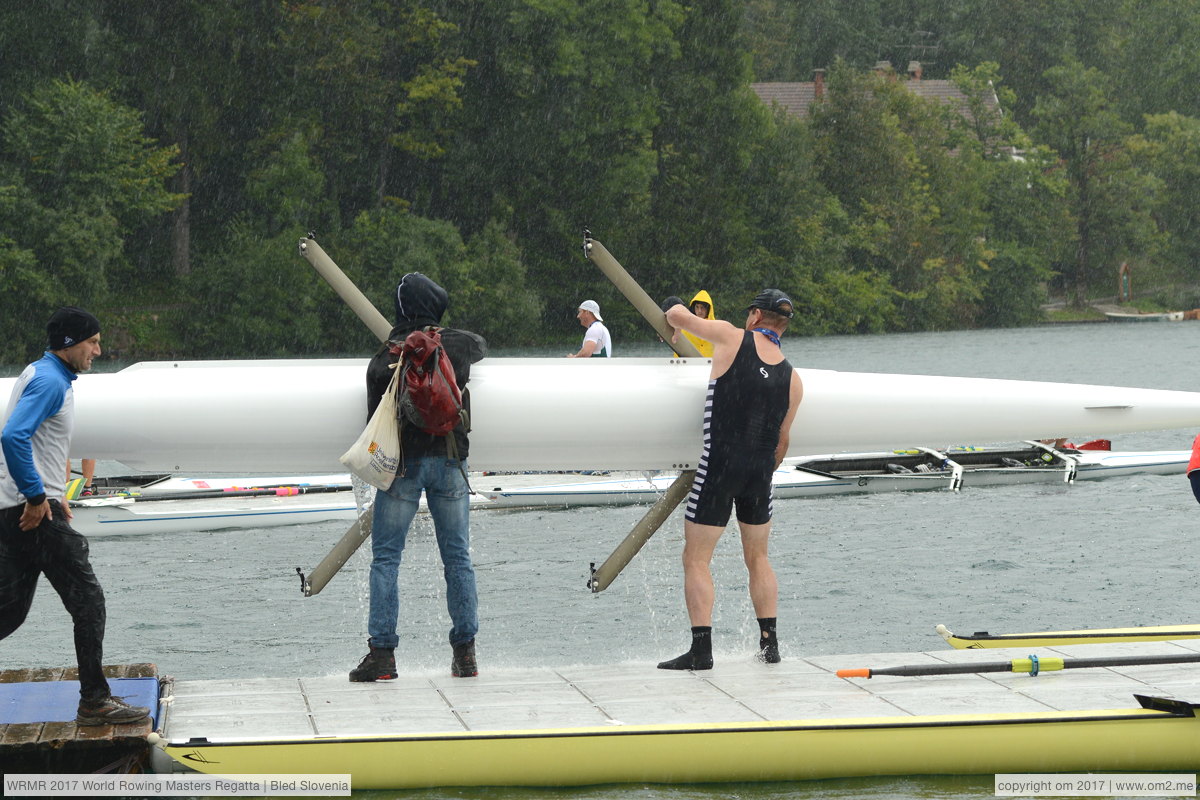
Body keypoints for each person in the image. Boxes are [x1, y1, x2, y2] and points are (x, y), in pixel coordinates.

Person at [0, 307, 150, 725]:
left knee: (8, 612)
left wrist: (51, 493)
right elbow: (12, 436)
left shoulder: (39, 372)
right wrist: (36, 497)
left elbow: (36, 443)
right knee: (89, 602)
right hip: (32, 514)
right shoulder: (50, 381)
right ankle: (94, 702)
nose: (99, 351)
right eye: (93, 343)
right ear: (69, 344)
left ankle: (95, 699)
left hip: (16, 508)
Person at [656, 289, 804, 670]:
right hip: (760, 473)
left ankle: (701, 651)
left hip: (720, 464)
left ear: (754, 316)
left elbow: (678, 317)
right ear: (782, 326)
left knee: (696, 558)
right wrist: (758, 472)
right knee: (758, 558)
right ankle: (769, 646)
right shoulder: (793, 378)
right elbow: (782, 442)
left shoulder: (729, 336)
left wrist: (672, 304)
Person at [350, 273, 488, 682]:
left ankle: (383, 655)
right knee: (457, 559)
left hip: (404, 468)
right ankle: (465, 653)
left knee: (386, 560)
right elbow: (481, 344)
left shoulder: (382, 360)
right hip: (449, 463)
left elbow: (375, 420)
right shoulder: (458, 346)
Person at [681, 290, 716, 358]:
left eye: (702, 307)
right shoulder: (685, 328)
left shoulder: (716, 328)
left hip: (710, 366)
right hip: (691, 366)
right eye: (697, 307)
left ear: (708, 309)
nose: (699, 311)